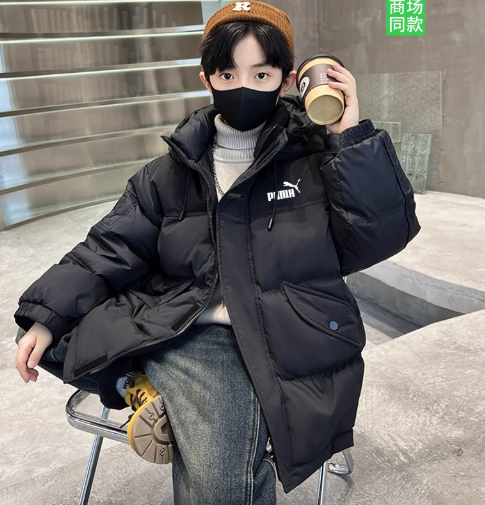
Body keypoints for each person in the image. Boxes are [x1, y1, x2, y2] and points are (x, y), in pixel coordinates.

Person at [14, 1, 421, 502]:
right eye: (228, 74)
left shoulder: (318, 160)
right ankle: (136, 383)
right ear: (206, 78)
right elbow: (109, 246)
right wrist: (46, 316)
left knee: (220, 481)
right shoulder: (168, 173)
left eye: (261, 74)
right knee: (49, 329)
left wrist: (350, 138)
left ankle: (147, 388)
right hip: (184, 323)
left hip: (278, 328)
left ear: (288, 80)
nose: (243, 87)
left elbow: (381, 236)